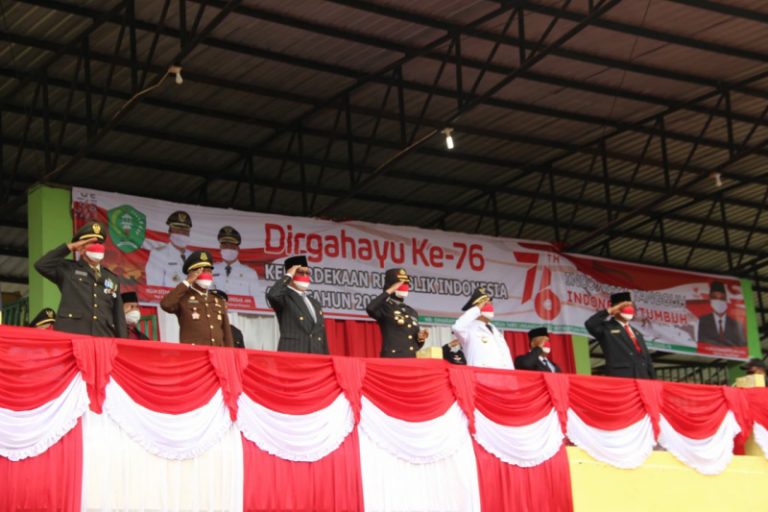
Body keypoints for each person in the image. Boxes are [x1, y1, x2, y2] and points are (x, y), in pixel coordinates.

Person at [34, 221, 127, 338]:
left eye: (99, 243)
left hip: (103, 337)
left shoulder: (112, 278)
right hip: (73, 335)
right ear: (81, 247)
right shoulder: (68, 269)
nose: (97, 246)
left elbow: (119, 316)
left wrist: (123, 342)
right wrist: (69, 247)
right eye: (91, 243)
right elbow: (41, 265)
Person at [160, 251, 233, 347]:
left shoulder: (217, 299)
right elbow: (165, 304)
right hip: (194, 353)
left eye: (209, 271)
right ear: (191, 274)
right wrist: (187, 282)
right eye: (202, 271)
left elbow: (226, 333)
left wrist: (230, 353)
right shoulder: (183, 297)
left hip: (217, 352)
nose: (207, 274)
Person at [265, 255, 328, 354]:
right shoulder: (285, 297)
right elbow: (272, 295)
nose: (305, 276)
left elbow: (322, 337)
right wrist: (288, 275)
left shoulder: (315, 303)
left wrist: (326, 359)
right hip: (293, 355)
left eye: (307, 273)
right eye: (301, 272)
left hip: (315, 356)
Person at [585, 291, 655, 379]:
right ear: (615, 308)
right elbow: (590, 324)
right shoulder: (607, 328)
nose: (629, 309)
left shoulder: (636, 332)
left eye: (631, 306)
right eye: (625, 306)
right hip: (621, 377)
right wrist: (609, 311)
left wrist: (654, 381)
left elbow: (647, 360)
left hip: (642, 378)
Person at [366, 268, 427, 357]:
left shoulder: (412, 311)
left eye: (406, 283)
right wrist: (389, 290)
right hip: (393, 357)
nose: (404, 286)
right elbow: (370, 308)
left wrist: (421, 338)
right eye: (400, 283)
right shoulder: (384, 307)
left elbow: (415, 344)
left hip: (411, 358)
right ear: (391, 285)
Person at [451, 287, 514, 369]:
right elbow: (457, 327)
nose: (490, 307)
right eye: (485, 304)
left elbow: (505, 356)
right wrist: (477, 309)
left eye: (491, 304)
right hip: (482, 374)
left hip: (505, 374)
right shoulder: (468, 328)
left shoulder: (495, 330)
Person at [145, 211, 193, 287]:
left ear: (189, 233)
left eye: (185, 231)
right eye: (177, 230)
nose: (181, 233)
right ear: (169, 232)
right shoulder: (158, 254)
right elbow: (155, 287)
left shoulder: (194, 257)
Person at [212, 226, 259, 300]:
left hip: (241, 307)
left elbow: (256, 300)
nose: (228, 249)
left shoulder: (250, 273)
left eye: (232, 246)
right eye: (225, 246)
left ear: (238, 249)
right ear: (220, 247)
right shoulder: (212, 269)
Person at [697, 281, 746, 346]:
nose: (718, 301)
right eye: (714, 297)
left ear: (726, 300)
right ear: (710, 299)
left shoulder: (736, 325)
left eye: (722, 298)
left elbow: (742, 345)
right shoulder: (702, 321)